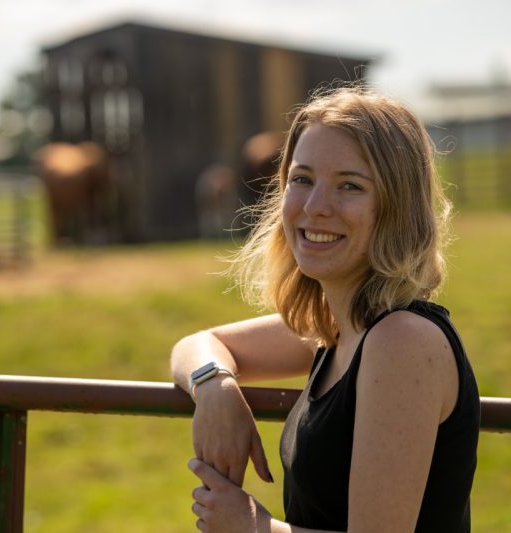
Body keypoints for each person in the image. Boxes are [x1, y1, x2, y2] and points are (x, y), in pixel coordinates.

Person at [170, 86, 480, 532]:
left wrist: (252, 525)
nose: (315, 208)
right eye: (302, 179)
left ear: (397, 207)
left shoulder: (402, 341)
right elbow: (199, 343)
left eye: (349, 186)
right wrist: (214, 387)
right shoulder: (336, 328)